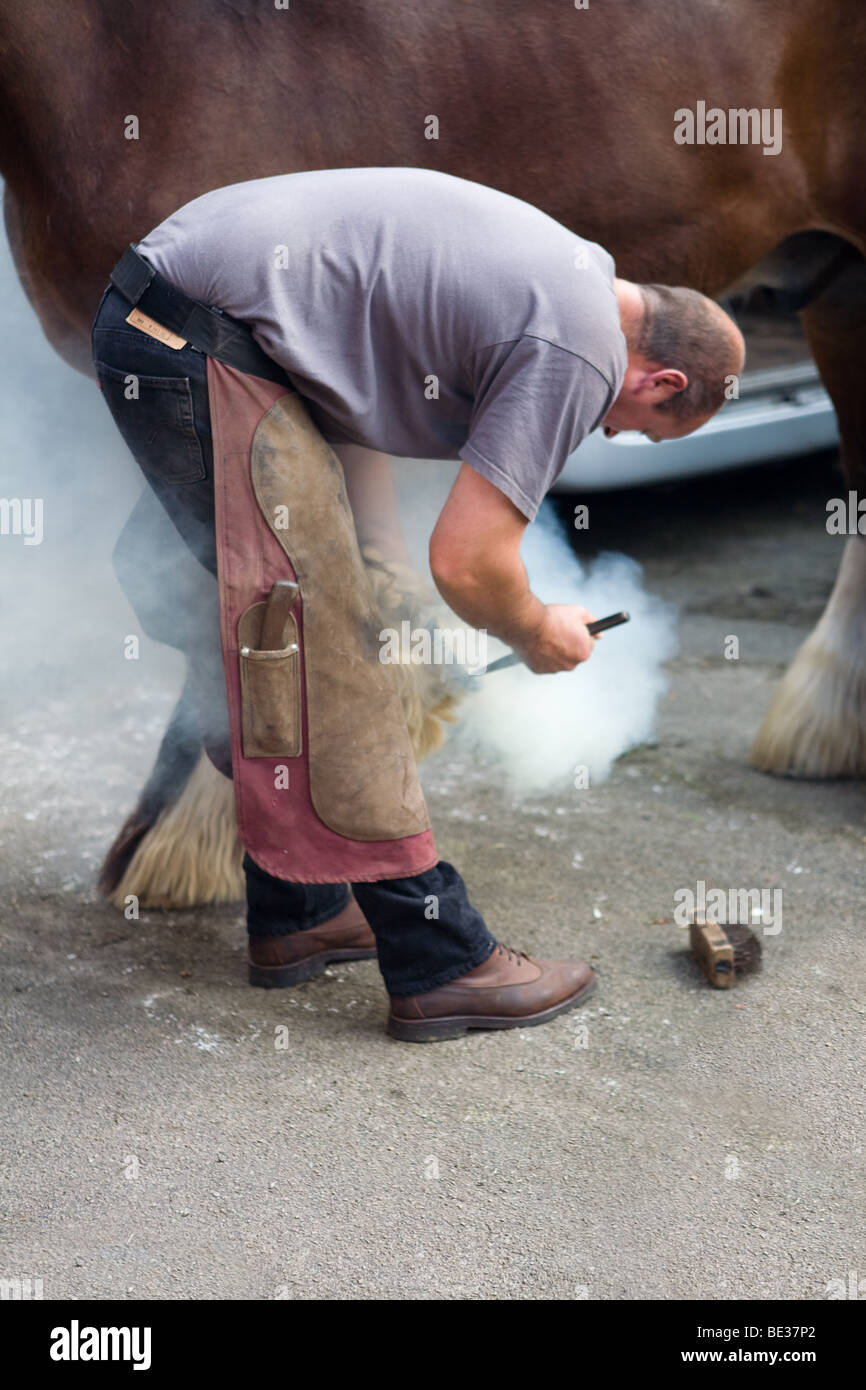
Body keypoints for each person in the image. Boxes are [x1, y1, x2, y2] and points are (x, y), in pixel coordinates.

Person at [92, 167, 745, 1042]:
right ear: (662, 381)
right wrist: (538, 629)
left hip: (173, 316)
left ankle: (302, 911)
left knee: (286, 623)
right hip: (195, 341)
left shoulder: (567, 278)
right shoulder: (579, 349)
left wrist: (381, 573)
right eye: (632, 425)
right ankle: (442, 962)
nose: (610, 431)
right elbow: (471, 563)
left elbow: (339, 396)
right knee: (327, 658)